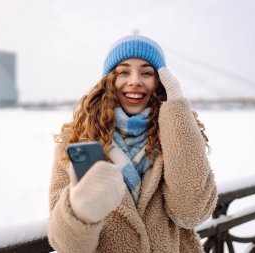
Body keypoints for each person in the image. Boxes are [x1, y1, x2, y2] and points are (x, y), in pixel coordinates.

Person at [48, 35, 217, 253]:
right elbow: (66, 245)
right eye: (124, 72)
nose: (135, 80)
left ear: (160, 81)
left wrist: (175, 106)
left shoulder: (177, 135)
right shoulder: (76, 142)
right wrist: (80, 210)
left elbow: (192, 212)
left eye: (146, 72)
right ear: (109, 81)